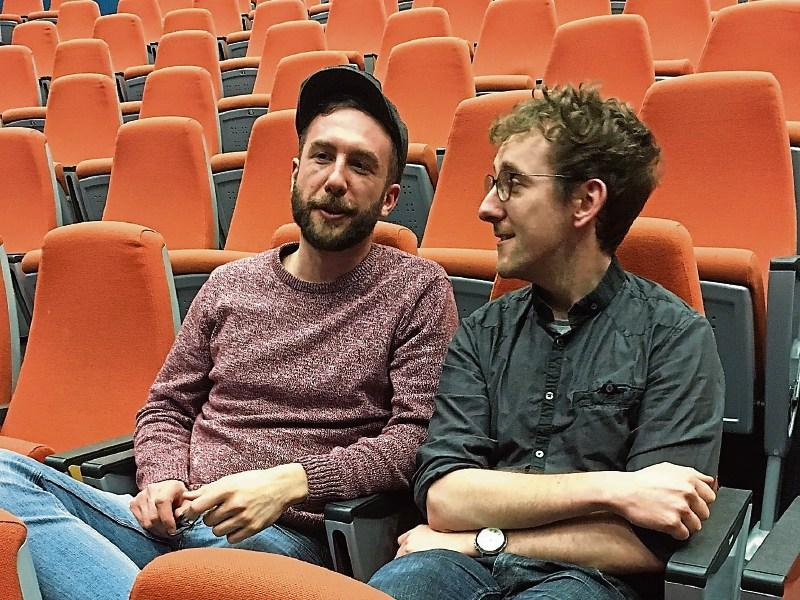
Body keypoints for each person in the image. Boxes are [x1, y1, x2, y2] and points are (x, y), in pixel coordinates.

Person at [0, 66, 458, 600]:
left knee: (218, 565)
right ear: (293, 172)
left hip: (279, 540)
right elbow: (166, 407)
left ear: (389, 198)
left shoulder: (417, 289)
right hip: (176, 520)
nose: (336, 179)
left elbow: (416, 441)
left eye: (361, 166)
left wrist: (293, 482)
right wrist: (162, 478)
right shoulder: (229, 284)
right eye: (322, 156)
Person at [368, 85, 724, 600]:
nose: (487, 207)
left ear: (585, 201)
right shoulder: (481, 333)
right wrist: (614, 488)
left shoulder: (676, 338)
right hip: (452, 569)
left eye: (512, 183)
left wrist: (481, 539)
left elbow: (652, 536)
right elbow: (446, 498)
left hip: (591, 582)